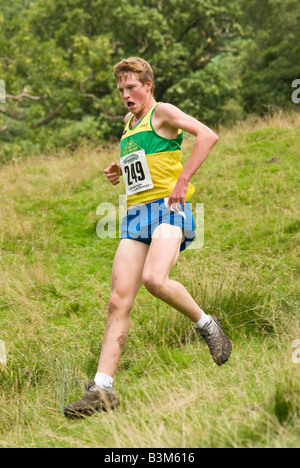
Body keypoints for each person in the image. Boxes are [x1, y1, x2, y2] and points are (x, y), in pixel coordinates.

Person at [64, 57, 232, 419]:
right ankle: (103, 388)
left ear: (148, 85)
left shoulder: (164, 112)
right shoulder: (129, 124)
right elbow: (144, 164)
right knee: (117, 300)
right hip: (135, 214)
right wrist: (118, 169)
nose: (126, 94)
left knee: (155, 280)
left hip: (168, 209)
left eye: (131, 87)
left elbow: (208, 135)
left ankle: (207, 324)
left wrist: (184, 179)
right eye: (121, 89)